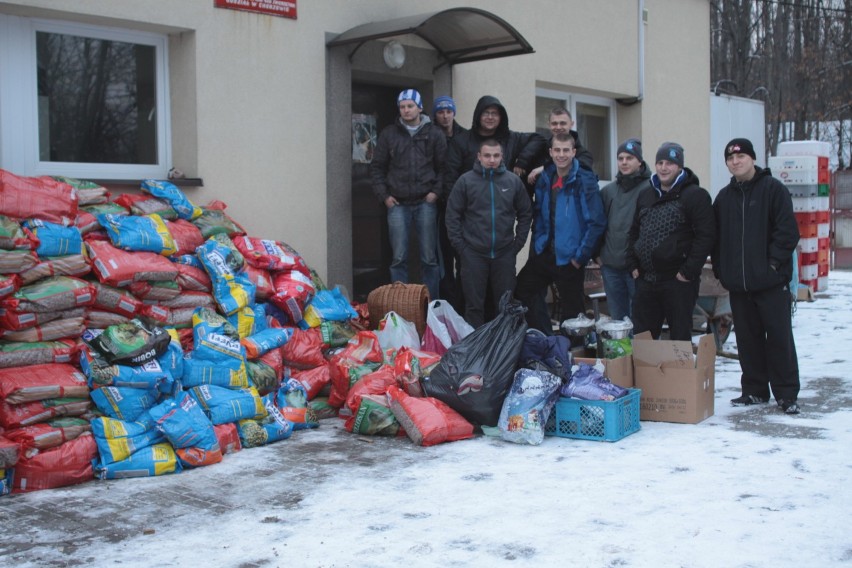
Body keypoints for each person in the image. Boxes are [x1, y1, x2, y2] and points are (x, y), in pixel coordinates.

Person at [712, 138, 801, 414]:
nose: (735, 162)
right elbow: (717, 241)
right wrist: (722, 272)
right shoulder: (724, 198)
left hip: (771, 283)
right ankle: (754, 390)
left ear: (752, 158)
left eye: (740, 157)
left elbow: (787, 232)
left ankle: (786, 394)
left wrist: (773, 265)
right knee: (748, 340)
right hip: (739, 286)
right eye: (730, 159)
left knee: (779, 339)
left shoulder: (773, 190)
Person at [515, 133, 606, 335]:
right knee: (520, 292)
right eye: (557, 150)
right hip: (545, 252)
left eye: (566, 150)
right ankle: (545, 338)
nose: (561, 154)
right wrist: (539, 243)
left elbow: (596, 222)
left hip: (570, 258)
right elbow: (539, 212)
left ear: (574, 152)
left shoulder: (585, 180)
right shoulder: (546, 177)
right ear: (551, 152)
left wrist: (579, 257)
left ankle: (572, 358)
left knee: (573, 315)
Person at [627, 142, 715, 341]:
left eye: (670, 163)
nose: (663, 168)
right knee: (643, 339)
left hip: (678, 282)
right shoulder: (646, 195)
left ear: (680, 167)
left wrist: (688, 271)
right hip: (646, 280)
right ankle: (647, 373)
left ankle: (679, 373)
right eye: (660, 162)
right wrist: (631, 262)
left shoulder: (695, 196)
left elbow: (706, 236)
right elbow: (634, 232)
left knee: (679, 340)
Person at [445, 139, 532, 328]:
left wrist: (517, 244)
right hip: (473, 253)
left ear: (502, 157)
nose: (491, 159)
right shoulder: (466, 181)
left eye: (496, 155)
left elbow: (526, 213)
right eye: (487, 155)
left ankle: (503, 351)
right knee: (474, 307)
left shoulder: (513, 181)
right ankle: (476, 351)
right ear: (479, 157)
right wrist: (462, 248)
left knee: (505, 307)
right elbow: (452, 216)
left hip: (504, 253)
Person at [370, 89, 446, 300]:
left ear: (420, 107)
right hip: (397, 204)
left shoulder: (434, 133)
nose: (406, 110)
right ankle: (400, 304)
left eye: (410, 106)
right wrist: (385, 197)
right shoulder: (389, 134)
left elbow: (444, 168)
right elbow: (377, 167)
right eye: (402, 106)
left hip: (426, 203)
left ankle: (431, 305)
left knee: (429, 258)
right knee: (398, 258)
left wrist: (435, 193)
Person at [445, 95, 546, 195]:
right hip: (472, 203)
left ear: (501, 117)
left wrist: (522, 161)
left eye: (494, 113)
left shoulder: (511, 138)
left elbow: (539, 139)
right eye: (486, 113)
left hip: (505, 202)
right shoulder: (461, 141)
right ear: (478, 115)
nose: (490, 117)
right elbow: (450, 178)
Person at [597, 138, 651, 321]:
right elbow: (598, 224)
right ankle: (622, 351)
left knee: (643, 320)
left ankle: (645, 352)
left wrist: (642, 262)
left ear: (640, 162)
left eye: (629, 158)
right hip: (611, 267)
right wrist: (598, 254)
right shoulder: (608, 191)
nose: (624, 162)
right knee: (618, 322)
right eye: (620, 158)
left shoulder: (651, 189)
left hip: (638, 270)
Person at [432, 95, 467, 310]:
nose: (445, 116)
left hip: (464, 208)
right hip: (439, 206)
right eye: (440, 112)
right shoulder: (432, 136)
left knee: (463, 256)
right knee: (442, 257)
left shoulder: (465, 136)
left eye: (448, 111)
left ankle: (463, 303)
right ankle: (447, 304)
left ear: (454, 112)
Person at [527, 107, 594, 187]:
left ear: (571, 124)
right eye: (554, 123)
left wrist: (545, 168)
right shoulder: (541, 151)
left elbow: (581, 172)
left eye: (563, 123)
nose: (558, 127)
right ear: (549, 125)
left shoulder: (583, 154)